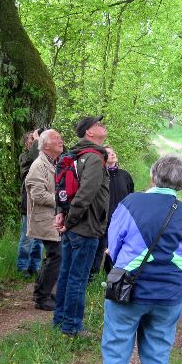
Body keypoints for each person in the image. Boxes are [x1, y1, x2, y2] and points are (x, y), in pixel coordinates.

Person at [97, 154, 182, 364]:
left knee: (116, 353)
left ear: (153, 176)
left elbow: (115, 244)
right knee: (158, 355)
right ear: (181, 184)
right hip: (169, 294)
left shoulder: (131, 202)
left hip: (128, 290)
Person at [53, 115, 109, 337]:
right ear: (89, 132)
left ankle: (60, 320)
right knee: (77, 278)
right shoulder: (94, 158)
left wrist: (62, 214)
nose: (103, 126)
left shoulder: (76, 155)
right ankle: (72, 327)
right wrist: (69, 220)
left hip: (73, 226)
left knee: (66, 274)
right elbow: (86, 194)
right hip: (84, 228)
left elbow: (61, 189)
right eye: (98, 124)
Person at [25, 129, 65, 311]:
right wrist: (62, 199)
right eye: (56, 138)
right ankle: (42, 297)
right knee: (57, 255)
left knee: (54, 255)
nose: (61, 140)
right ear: (46, 144)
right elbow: (38, 195)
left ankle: (43, 292)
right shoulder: (38, 165)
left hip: (52, 219)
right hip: (44, 219)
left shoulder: (55, 162)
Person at [90, 145, 134, 279]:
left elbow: (131, 195)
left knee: (117, 246)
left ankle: (111, 274)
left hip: (121, 218)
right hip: (102, 217)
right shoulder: (100, 176)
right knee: (99, 247)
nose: (113, 154)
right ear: (103, 158)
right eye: (109, 153)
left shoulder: (125, 175)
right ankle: (92, 275)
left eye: (113, 152)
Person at [16, 130, 44, 278]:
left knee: (39, 239)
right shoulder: (24, 157)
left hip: (42, 204)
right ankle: (22, 268)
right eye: (32, 140)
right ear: (27, 143)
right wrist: (37, 141)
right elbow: (34, 159)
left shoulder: (45, 158)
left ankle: (35, 267)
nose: (37, 141)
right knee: (27, 238)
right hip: (29, 203)